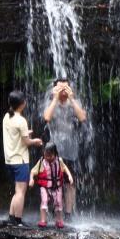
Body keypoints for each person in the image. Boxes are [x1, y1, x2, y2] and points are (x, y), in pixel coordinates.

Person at [43, 78, 87, 220]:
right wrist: (55, 98)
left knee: (70, 182)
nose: (63, 90)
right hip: (53, 151)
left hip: (71, 149)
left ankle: (68, 213)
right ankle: (54, 211)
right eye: (60, 88)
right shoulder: (51, 102)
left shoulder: (75, 102)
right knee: (52, 182)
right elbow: (47, 117)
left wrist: (72, 99)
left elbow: (82, 118)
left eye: (66, 87)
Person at [3, 90, 43, 227]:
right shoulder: (21, 120)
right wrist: (35, 141)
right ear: (22, 104)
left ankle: (11, 218)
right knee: (21, 192)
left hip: (9, 160)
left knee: (17, 191)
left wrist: (26, 133)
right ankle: (18, 221)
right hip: (20, 160)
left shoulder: (7, 117)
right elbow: (26, 142)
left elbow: (15, 134)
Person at [29, 142, 73, 229]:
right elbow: (33, 171)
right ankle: (43, 220)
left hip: (57, 186)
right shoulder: (42, 161)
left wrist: (70, 176)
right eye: (46, 155)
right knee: (44, 201)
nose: (48, 157)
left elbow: (65, 169)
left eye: (50, 155)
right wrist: (31, 179)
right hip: (45, 186)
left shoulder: (59, 161)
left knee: (59, 202)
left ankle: (59, 220)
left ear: (55, 154)